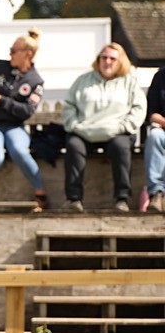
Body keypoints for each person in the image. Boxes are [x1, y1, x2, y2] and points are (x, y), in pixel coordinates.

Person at [0, 28, 50, 211]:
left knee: (20, 151)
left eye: (14, 51)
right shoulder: (1, 67)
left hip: (14, 127)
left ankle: (40, 192)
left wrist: (0, 100)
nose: (10, 54)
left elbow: (27, 111)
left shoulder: (35, 81)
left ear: (27, 54)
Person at [61, 43, 148, 212]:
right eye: (104, 58)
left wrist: (124, 126)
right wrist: (75, 126)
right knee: (73, 145)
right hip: (84, 131)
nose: (107, 62)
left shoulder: (130, 83)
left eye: (112, 59)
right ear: (98, 60)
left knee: (121, 147)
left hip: (117, 132)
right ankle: (73, 199)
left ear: (120, 61)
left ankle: (121, 199)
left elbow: (139, 109)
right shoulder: (82, 81)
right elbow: (69, 107)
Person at [144, 66, 165, 213]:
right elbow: (150, 113)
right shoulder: (160, 77)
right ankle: (157, 194)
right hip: (163, 129)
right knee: (154, 136)